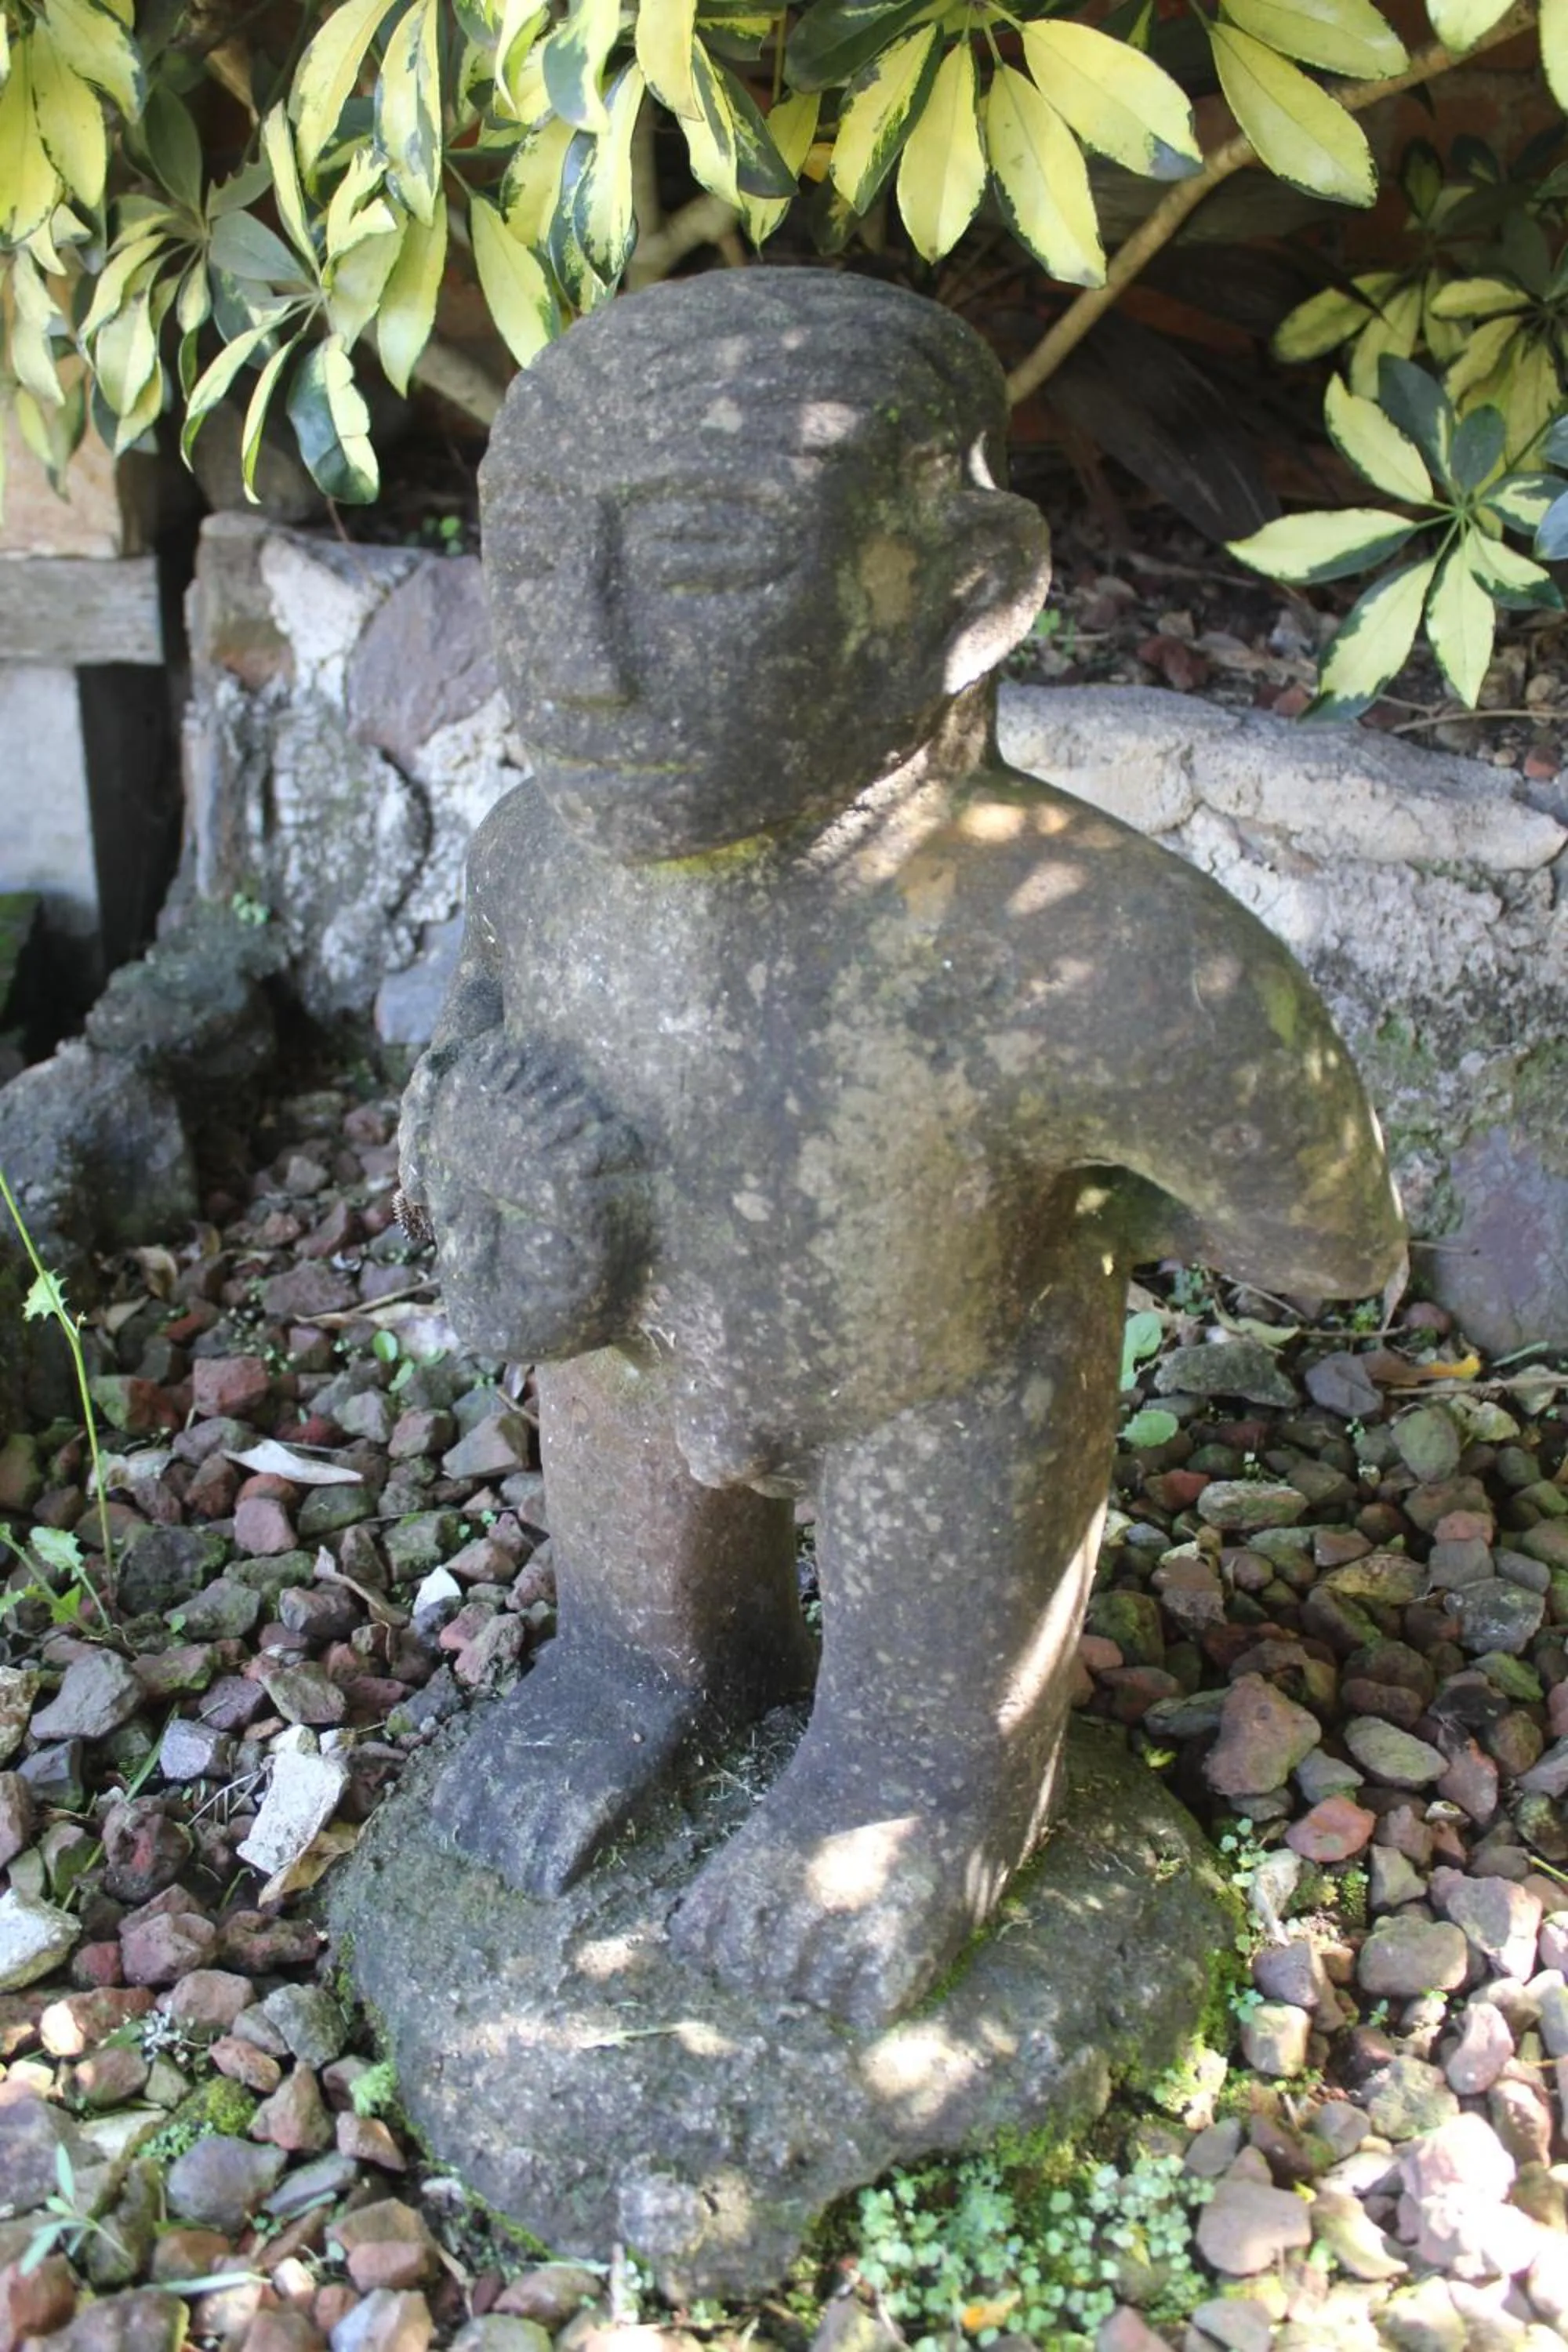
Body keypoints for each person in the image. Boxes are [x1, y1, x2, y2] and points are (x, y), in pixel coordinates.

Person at [397, 267, 1405, 2029]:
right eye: (534, 561)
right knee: (624, 1465)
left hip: (938, 1374)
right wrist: (518, 1221)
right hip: (628, 1345)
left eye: (700, 562)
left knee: (962, 1422)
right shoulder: (532, 871)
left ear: (970, 593)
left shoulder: (1076, 944)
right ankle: (639, 1662)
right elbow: (468, 1106)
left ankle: (922, 1767)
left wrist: (1055, 1212)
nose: (580, 652)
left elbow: (1321, 1230)